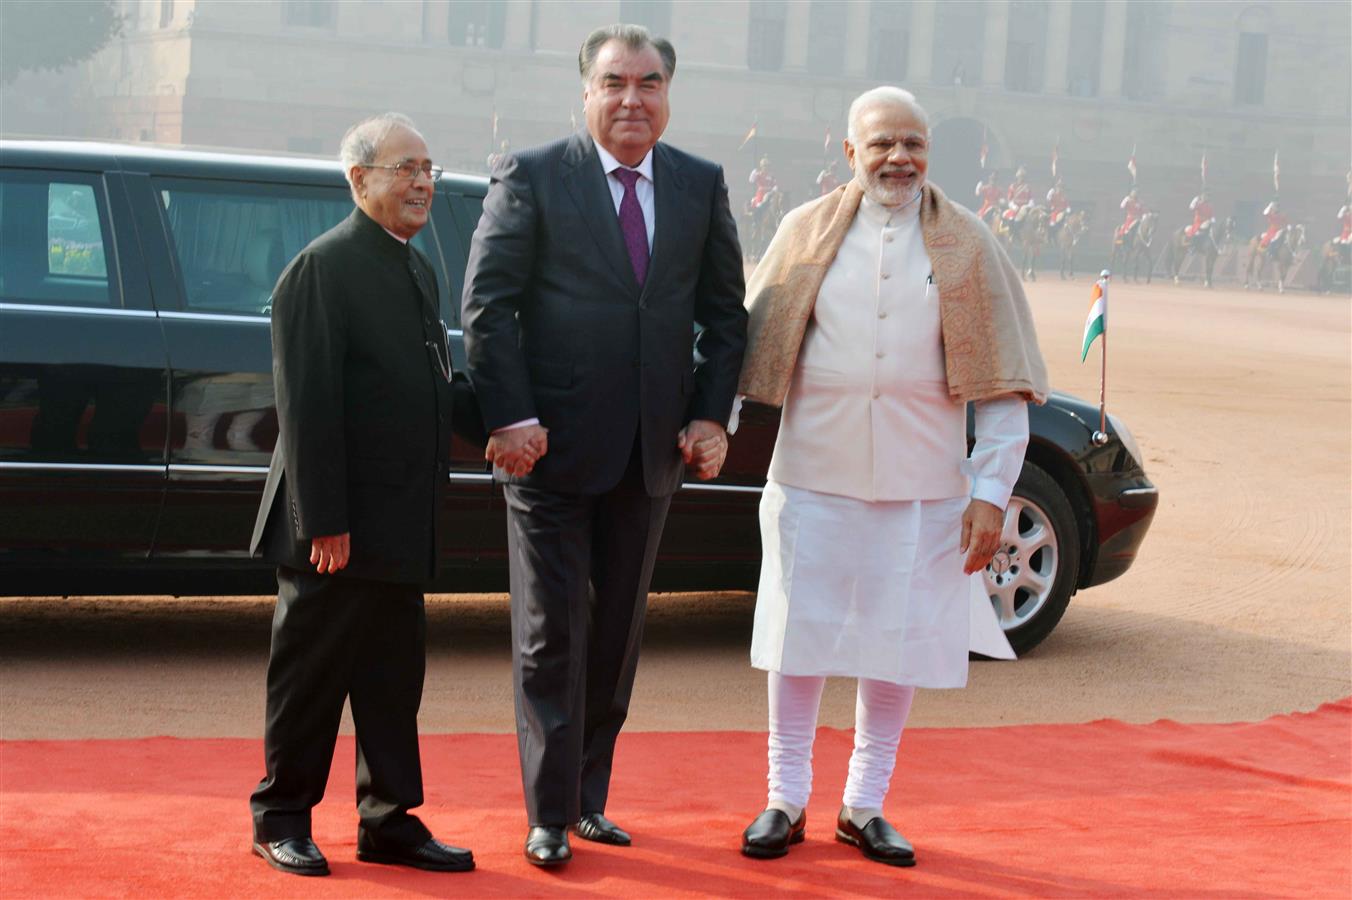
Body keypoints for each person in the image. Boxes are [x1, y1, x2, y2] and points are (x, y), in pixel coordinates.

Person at [734, 86, 1047, 867]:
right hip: (812, 475)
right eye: (881, 144)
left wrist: (988, 493)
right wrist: (711, 431)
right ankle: (785, 797)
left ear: (929, 152)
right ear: (850, 153)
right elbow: (750, 350)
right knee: (797, 641)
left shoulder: (969, 245)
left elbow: (1004, 390)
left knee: (895, 647)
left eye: (912, 143)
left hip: (922, 488)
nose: (898, 157)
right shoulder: (803, 233)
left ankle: (865, 805)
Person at [461, 24, 747, 867]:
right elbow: (488, 306)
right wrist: (509, 416)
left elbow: (725, 317)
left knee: (616, 635)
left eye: (649, 82)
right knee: (552, 636)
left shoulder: (699, 184)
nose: (632, 98)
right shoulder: (536, 175)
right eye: (614, 82)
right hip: (548, 453)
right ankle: (547, 812)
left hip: (651, 454)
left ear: (668, 94)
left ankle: (589, 797)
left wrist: (709, 415)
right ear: (584, 91)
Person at [247, 114, 480, 877]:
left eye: (429, 168)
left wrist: (505, 426)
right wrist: (325, 521)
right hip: (335, 529)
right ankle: (282, 816)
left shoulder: (415, 266)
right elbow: (307, 406)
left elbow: (429, 384)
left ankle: (388, 819)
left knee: (391, 681)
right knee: (311, 677)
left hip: (402, 518)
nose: (422, 183)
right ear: (359, 180)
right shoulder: (324, 268)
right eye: (404, 168)